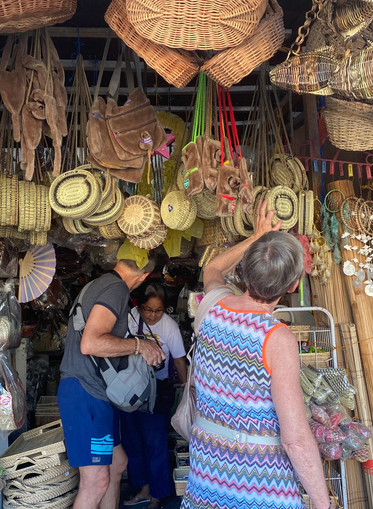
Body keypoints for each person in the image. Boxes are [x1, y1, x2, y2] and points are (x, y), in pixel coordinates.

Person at [181, 200, 332, 509]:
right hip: (260, 484)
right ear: (292, 286)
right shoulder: (277, 339)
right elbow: (295, 439)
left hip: (207, 473)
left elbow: (213, 267)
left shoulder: (211, 307)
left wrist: (257, 236)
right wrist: (322, 502)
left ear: (245, 270)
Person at [58, 259, 167, 509]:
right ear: (144, 277)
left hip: (92, 394)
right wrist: (141, 346)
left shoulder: (99, 284)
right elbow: (91, 344)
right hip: (85, 393)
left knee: (117, 464)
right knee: (95, 481)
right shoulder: (117, 289)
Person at [122, 283, 188, 509]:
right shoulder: (130, 318)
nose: (152, 315)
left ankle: (157, 494)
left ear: (165, 309)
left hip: (158, 390)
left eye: (158, 310)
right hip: (130, 388)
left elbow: (179, 359)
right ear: (139, 306)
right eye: (148, 310)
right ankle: (143, 488)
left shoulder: (169, 327)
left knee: (155, 441)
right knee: (133, 440)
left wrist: (186, 387)